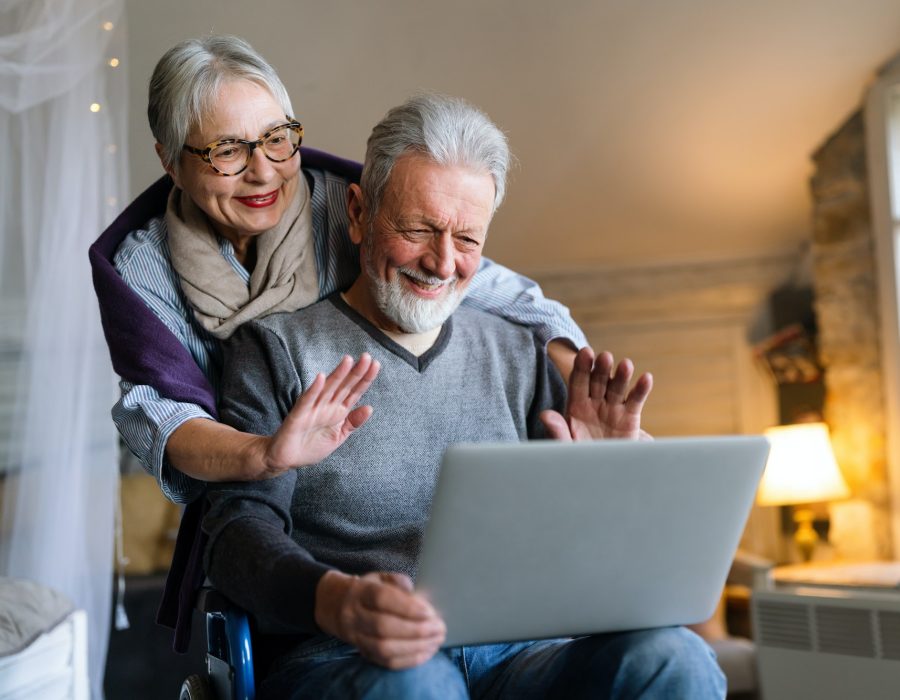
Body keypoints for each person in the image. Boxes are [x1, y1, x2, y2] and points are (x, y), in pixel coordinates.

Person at [203, 93, 725, 699]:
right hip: (349, 656)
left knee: (673, 657)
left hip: (524, 655)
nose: (442, 262)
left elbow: (592, 564)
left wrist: (607, 475)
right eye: (418, 228)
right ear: (358, 212)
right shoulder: (273, 350)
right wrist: (333, 600)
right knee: (418, 685)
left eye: (468, 238)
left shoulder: (521, 354)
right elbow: (236, 534)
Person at [89, 36, 590, 648]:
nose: (264, 170)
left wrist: (580, 387)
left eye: (277, 138)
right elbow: (163, 414)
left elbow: (475, 277)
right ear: (171, 161)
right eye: (227, 150)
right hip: (255, 470)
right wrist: (264, 453)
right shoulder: (147, 269)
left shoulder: (333, 203)